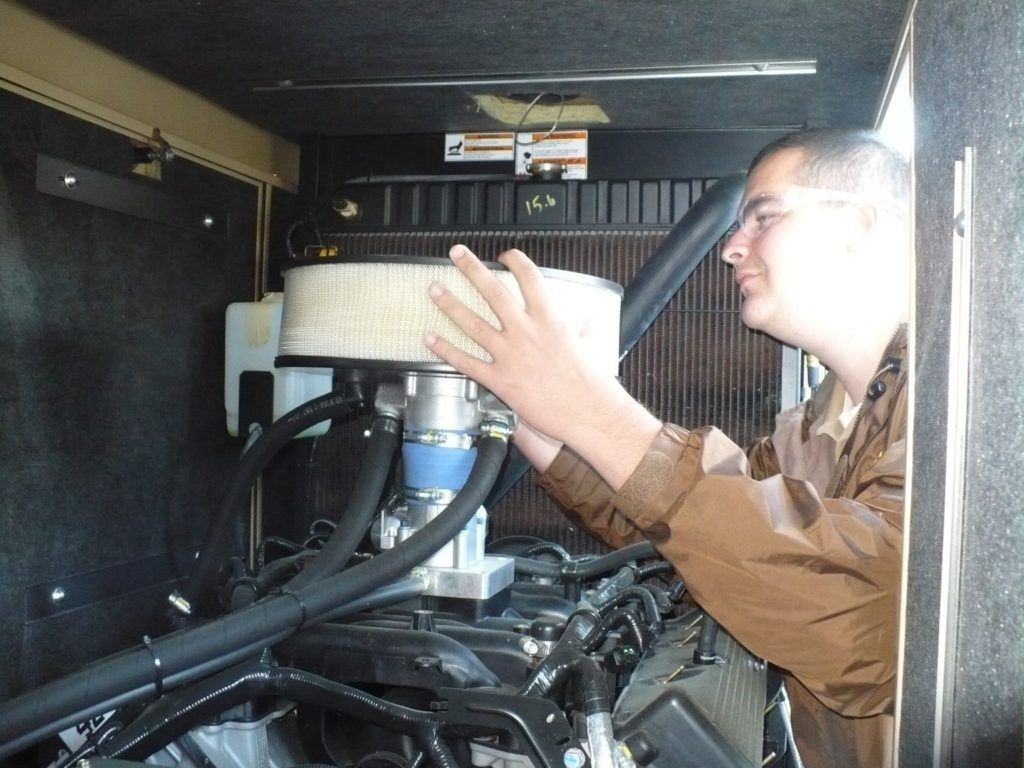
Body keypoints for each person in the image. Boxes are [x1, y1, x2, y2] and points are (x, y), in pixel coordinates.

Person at [424, 129, 910, 768]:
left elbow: (874, 626)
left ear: (860, 225)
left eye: (763, 216)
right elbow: (690, 533)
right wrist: (530, 418)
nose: (733, 248)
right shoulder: (812, 428)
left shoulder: (969, 407)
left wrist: (593, 408)